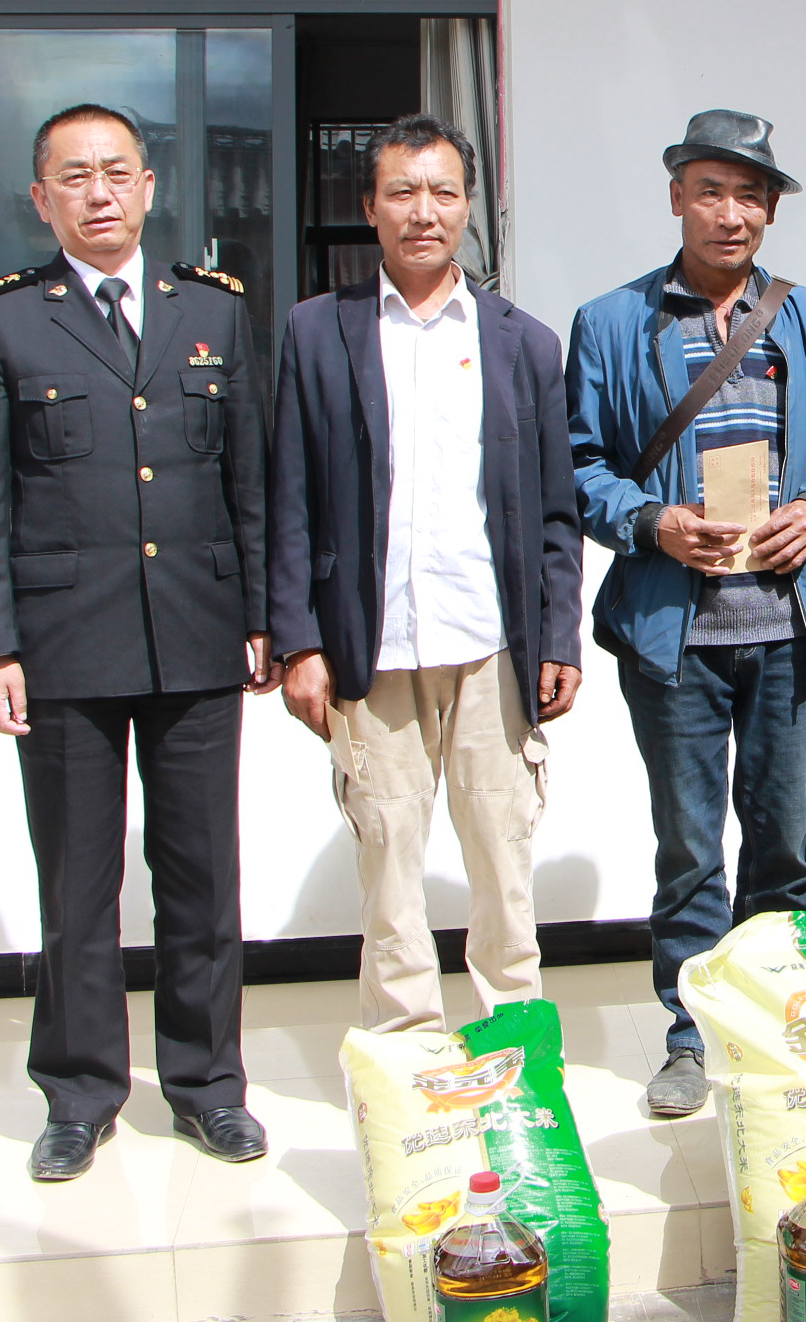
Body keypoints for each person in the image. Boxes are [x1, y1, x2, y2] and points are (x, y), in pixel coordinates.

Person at [0, 103, 276, 1180]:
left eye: (117, 172)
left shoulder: (213, 309)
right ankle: (79, 1094)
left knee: (202, 877)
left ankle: (208, 1086)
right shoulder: (1, 324)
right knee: (77, 885)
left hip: (197, 637)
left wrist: (262, 617)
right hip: (63, 648)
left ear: (149, 187)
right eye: (74, 176)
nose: (99, 193)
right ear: (41, 198)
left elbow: (251, 479)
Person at [269, 115, 583, 1032]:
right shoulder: (318, 331)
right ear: (369, 206)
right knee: (389, 870)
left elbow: (555, 511)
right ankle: (406, 1062)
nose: (424, 211)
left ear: (468, 206)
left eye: (443, 192)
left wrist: (558, 637)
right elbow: (289, 496)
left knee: (504, 867)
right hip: (373, 649)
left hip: (491, 649)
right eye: (402, 192)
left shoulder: (522, 341)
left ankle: (514, 1054)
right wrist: (297, 641)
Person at [566, 110, 806, 1117]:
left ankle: (778, 1024)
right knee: (689, 850)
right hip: (674, 633)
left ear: (770, 210)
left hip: (785, 625)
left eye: (750, 196)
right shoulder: (611, 322)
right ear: (677, 197)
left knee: (783, 846)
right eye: (711, 192)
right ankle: (691, 1037)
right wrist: (652, 522)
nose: (731, 214)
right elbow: (578, 464)